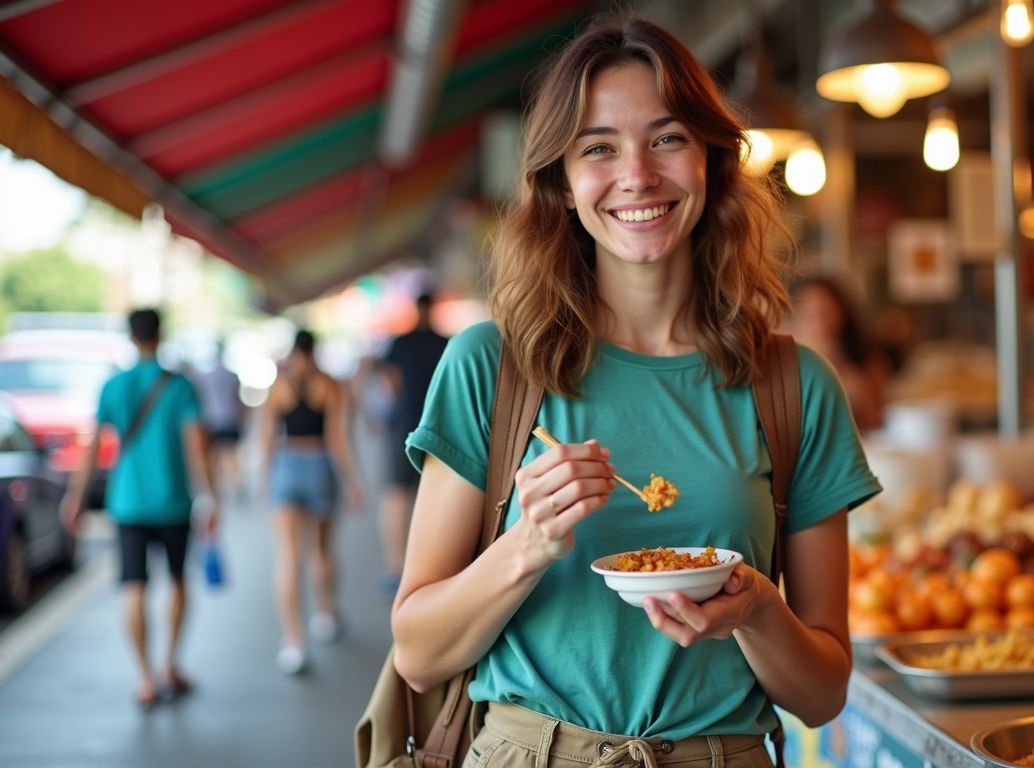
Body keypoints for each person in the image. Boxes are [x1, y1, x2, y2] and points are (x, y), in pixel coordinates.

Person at [390, 18, 881, 767]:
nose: (638, 174)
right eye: (598, 148)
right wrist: (530, 542)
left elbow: (822, 695)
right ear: (560, 180)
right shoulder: (491, 366)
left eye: (667, 138)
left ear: (711, 161)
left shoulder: (795, 385)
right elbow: (418, 655)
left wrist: (755, 610)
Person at [59, 308, 218, 710]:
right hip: (175, 502)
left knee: (134, 586)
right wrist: (211, 495)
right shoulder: (181, 386)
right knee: (178, 581)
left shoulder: (113, 386)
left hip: (127, 503)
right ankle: (171, 665)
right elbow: (196, 446)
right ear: (160, 335)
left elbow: (93, 448)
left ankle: (145, 678)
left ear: (131, 338)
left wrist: (75, 497)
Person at [257, 329, 363, 674]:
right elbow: (338, 438)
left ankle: (293, 642)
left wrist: (264, 479)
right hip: (319, 466)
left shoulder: (278, 387)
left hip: (286, 467)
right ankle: (326, 614)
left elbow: (267, 439)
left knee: (288, 556)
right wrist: (352, 482)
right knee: (322, 549)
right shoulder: (330, 385)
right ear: (314, 351)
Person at [376, 293, 449, 598]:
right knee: (438, 497)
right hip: (438, 426)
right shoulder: (445, 342)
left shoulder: (400, 343)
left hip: (402, 425)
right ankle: (437, 568)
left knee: (396, 496)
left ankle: (395, 568)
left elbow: (390, 381)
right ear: (432, 308)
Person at [786, 275, 890, 431]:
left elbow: (878, 423)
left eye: (825, 310)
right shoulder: (785, 364)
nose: (819, 320)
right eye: (809, 312)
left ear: (842, 310)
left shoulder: (867, 359)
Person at [191, 341, 245, 505]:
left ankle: (214, 487)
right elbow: (238, 401)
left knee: (213, 457)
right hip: (229, 418)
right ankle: (233, 485)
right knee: (230, 456)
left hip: (211, 420)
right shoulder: (232, 376)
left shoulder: (204, 377)